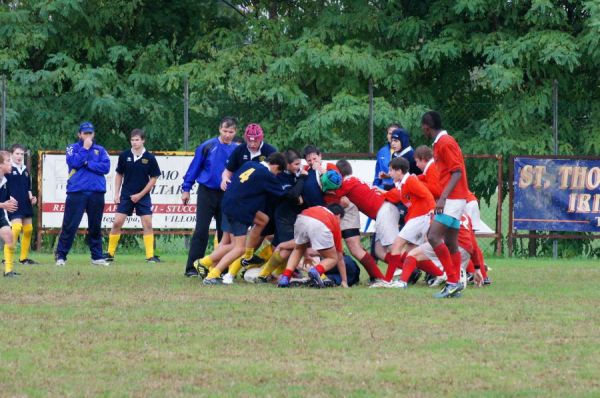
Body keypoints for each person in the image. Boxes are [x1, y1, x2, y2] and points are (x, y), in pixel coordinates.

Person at [201, 152, 302, 285]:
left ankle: (248, 255)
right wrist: (300, 185)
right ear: (275, 165)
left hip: (228, 203)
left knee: (263, 220)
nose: (276, 175)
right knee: (238, 248)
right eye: (278, 171)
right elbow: (286, 194)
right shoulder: (266, 175)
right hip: (239, 209)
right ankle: (212, 275)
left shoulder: (250, 164)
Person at [421, 111, 471, 298]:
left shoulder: (445, 142)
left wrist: (442, 198)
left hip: (453, 198)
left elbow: (456, 172)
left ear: (427, 126)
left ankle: (452, 281)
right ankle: (455, 284)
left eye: (422, 127)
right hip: (455, 198)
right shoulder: (440, 142)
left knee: (433, 236)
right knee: (450, 242)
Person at [181, 116, 238, 277]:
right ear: (220, 129)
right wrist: (186, 189)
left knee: (224, 233)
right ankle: (192, 268)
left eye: (231, 131)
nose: (227, 134)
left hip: (227, 195)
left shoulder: (237, 150)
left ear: (235, 132)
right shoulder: (207, 146)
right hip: (207, 192)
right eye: (225, 131)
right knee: (201, 231)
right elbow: (194, 168)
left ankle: (221, 268)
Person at [371, 157, 435, 288]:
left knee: (397, 245)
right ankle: (440, 274)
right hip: (416, 218)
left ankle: (389, 281)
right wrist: (382, 194)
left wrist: (433, 211)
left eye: (391, 171)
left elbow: (427, 194)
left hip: (420, 217)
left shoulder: (411, 181)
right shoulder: (402, 184)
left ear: (399, 171)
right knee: (413, 253)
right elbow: (396, 196)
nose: (390, 174)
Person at [55, 122, 110, 266]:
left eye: (90, 133)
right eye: (85, 133)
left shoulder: (100, 149)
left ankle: (97, 257)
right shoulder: (72, 148)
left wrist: (88, 164)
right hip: (77, 191)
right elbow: (74, 162)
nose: (87, 136)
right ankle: (61, 256)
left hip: (96, 192)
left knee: (95, 226)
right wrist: (85, 150)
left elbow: (106, 167)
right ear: (79, 134)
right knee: (70, 225)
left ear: (93, 134)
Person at [106, 129, 161, 262]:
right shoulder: (124, 155)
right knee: (117, 223)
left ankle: (150, 256)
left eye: (137, 140)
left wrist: (140, 194)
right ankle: (109, 254)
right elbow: (119, 174)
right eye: (132, 140)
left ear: (143, 140)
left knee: (147, 223)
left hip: (143, 196)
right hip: (126, 195)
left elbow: (153, 179)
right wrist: (116, 194)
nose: (134, 142)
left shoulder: (150, 158)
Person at [327, 159, 386, 282]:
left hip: (384, 214)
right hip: (383, 212)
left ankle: (385, 277)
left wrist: (325, 176)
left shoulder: (347, 183)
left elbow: (334, 194)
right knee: (380, 250)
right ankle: (380, 276)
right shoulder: (353, 180)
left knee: (385, 250)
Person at [277, 204, 348, 288]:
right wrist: (344, 281)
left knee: (298, 249)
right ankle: (316, 271)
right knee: (333, 258)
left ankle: (285, 278)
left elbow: (304, 243)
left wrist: (306, 255)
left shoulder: (319, 208)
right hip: (320, 224)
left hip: (301, 218)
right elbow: (339, 257)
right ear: (339, 216)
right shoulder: (334, 220)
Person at [5, 144, 38, 265]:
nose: (19, 156)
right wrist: (7, 198)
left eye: (22, 154)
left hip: (25, 203)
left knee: (28, 230)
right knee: (17, 228)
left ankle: (23, 258)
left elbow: (28, 188)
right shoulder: (7, 169)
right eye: (17, 154)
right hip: (13, 204)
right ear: (11, 154)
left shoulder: (25, 170)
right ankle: (7, 257)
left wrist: (32, 197)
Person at [220, 123, 276, 191]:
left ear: (261, 138)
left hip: (263, 189)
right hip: (242, 189)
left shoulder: (270, 151)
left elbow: (277, 171)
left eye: (255, 141)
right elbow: (228, 171)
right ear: (246, 138)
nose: (252, 144)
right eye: (250, 141)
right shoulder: (239, 149)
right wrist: (225, 179)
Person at [0, 151, 19, 277]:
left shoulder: (4, 180)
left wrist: (10, 199)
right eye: (8, 161)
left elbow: (4, 197)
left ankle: (8, 271)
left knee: (9, 237)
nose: (11, 164)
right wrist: (3, 205)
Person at [373, 123, 401, 190]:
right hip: (383, 188)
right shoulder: (382, 152)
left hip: (399, 189)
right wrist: (374, 188)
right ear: (387, 135)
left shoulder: (406, 151)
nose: (391, 136)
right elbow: (377, 175)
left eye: (394, 133)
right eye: (390, 133)